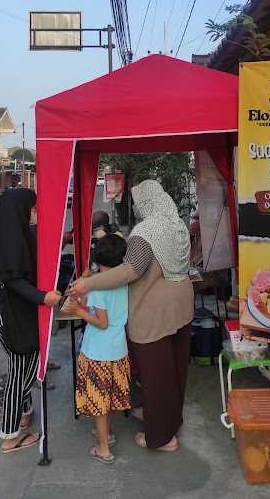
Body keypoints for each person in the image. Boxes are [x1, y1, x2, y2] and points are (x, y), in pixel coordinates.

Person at [69, 179, 193, 453]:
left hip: (154, 315)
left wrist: (89, 283)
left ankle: (161, 437)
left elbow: (130, 271)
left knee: (155, 376)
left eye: (138, 203)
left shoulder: (146, 232)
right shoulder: (177, 223)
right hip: (181, 307)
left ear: (146, 203)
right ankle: (168, 419)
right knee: (173, 371)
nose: (137, 209)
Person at [0, 188, 61, 453]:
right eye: (34, 209)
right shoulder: (11, 242)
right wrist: (43, 298)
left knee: (23, 365)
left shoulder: (12, 234)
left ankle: (24, 412)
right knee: (20, 373)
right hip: (10, 316)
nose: (36, 214)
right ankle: (10, 436)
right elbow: (14, 281)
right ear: (21, 211)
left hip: (12, 313)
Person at [65, 234, 130, 465]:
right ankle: (108, 435)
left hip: (98, 352)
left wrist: (79, 310)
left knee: (99, 403)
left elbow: (101, 322)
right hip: (118, 349)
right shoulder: (123, 280)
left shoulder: (99, 287)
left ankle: (103, 449)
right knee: (110, 398)